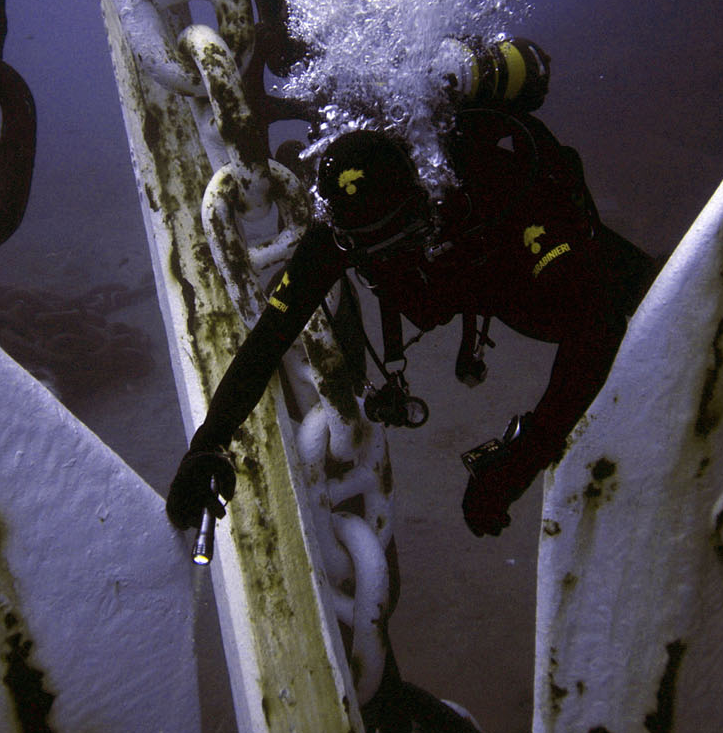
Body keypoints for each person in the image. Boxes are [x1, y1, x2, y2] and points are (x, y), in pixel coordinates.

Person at [166, 37, 656, 540]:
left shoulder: (491, 187)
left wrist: (522, 458)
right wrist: (208, 443)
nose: (389, 264)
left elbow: (595, 322)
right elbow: (270, 337)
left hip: (523, 272)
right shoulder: (339, 234)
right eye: (369, 253)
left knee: (625, 295)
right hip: (482, 285)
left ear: (425, 201)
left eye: (401, 243)